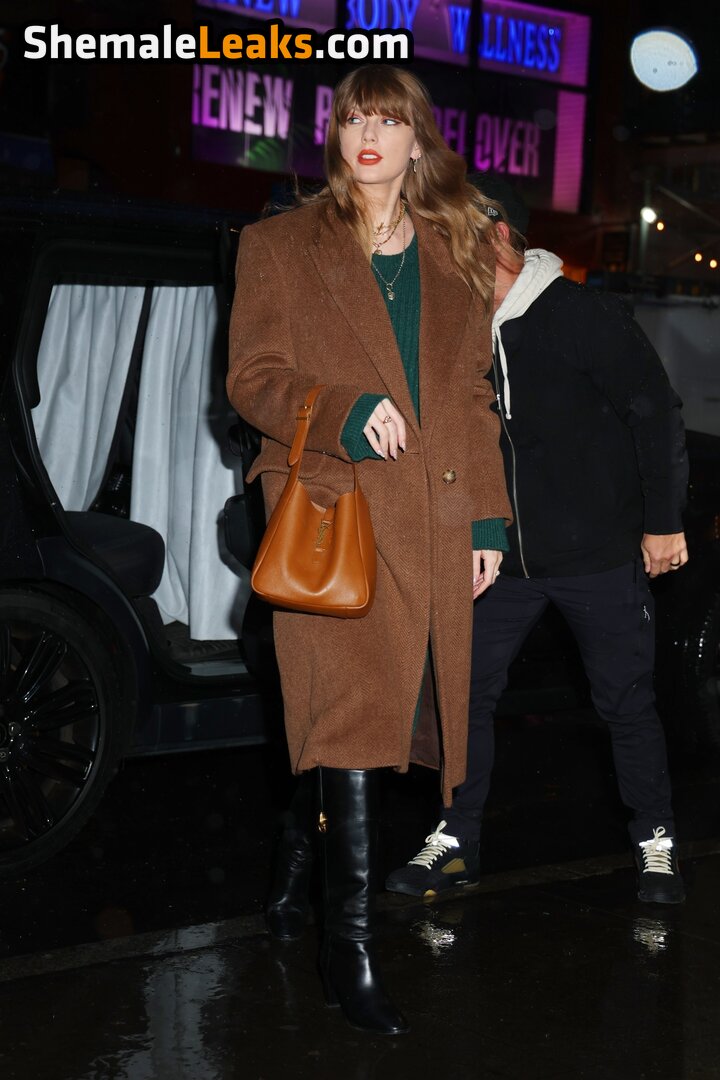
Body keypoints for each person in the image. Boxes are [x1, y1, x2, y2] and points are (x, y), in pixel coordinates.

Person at [227, 69, 512, 1035]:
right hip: (332, 515)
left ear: (417, 140)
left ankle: (294, 864)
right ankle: (346, 948)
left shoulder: (452, 253)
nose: (368, 135)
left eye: (388, 120)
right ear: (337, 135)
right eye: (353, 118)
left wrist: (485, 523)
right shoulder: (279, 245)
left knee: (372, 727)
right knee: (348, 721)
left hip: (430, 519)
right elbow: (253, 378)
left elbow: (470, 397)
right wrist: (342, 411)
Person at [386, 175, 689, 907]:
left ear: (497, 235)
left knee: (624, 701)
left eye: (445, 234)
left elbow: (655, 411)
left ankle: (655, 839)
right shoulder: (456, 333)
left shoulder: (580, 313)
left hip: (598, 554)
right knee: (461, 694)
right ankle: (457, 838)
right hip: (500, 559)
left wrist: (664, 521)